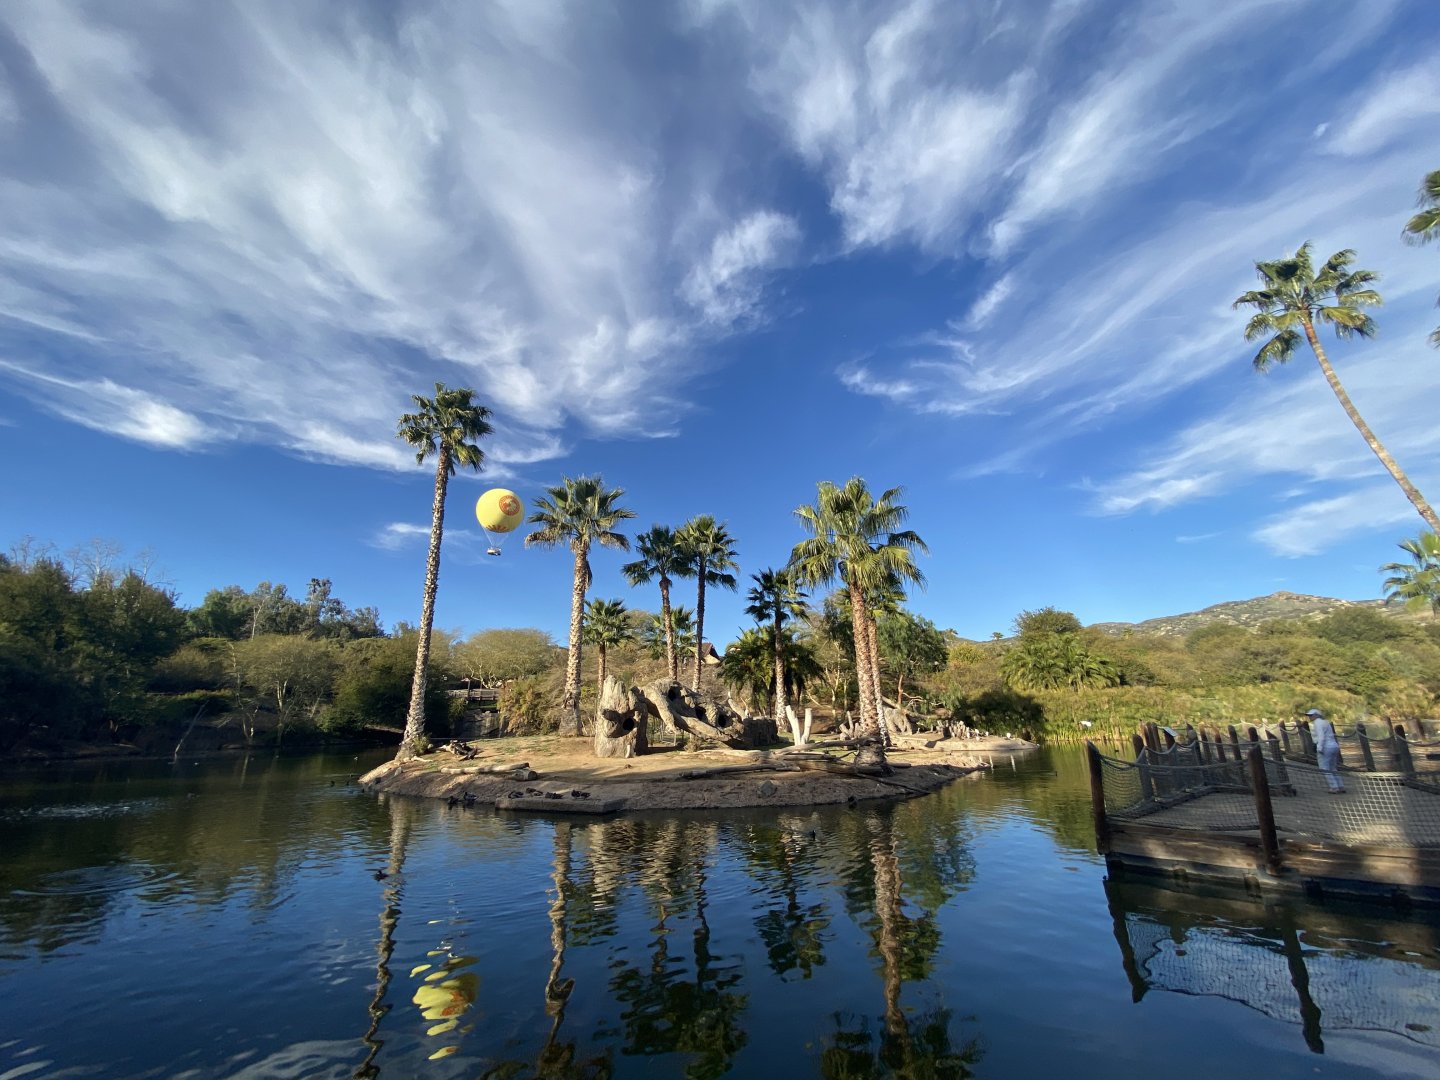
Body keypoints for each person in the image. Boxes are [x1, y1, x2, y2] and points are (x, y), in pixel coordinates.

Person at [1306, 708, 1346, 794]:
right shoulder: (1325, 722)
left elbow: (1321, 736)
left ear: (1316, 715)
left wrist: (1319, 748)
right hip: (1334, 745)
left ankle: (1334, 787)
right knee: (1333, 767)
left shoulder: (1317, 723)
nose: (1310, 717)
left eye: (1311, 715)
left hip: (1325, 747)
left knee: (1324, 768)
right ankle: (1340, 786)